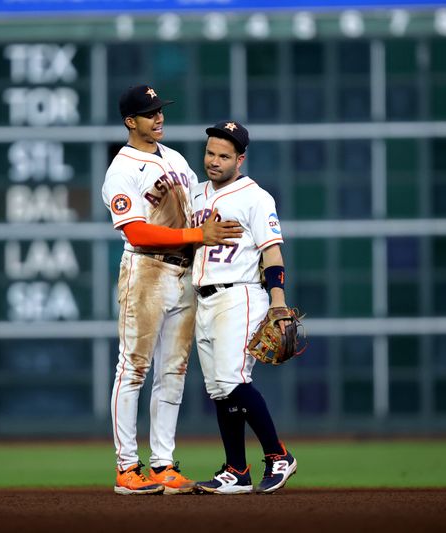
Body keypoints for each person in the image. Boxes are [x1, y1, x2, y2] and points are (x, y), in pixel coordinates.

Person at [101, 86, 243, 495]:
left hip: (184, 272)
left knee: (173, 372)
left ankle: (163, 463)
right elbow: (136, 230)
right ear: (131, 121)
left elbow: (201, 207)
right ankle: (127, 468)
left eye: (160, 110)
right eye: (149, 113)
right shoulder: (122, 168)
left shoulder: (177, 159)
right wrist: (198, 233)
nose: (158, 117)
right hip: (145, 272)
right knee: (133, 369)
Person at [191, 120, 297, 495]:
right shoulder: (196, 194)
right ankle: (237, 470)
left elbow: (272, 252)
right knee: (219, 389)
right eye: (210, 152)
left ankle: (278, 455)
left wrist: (278, 303)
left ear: (240, 158)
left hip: (241, 294)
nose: (214, 161)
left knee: (233, 381)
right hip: (202, 298)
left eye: (224, 155)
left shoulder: (256, 196)